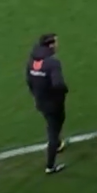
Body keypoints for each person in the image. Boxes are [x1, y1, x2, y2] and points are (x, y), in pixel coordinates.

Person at [26, 32, 69, 174]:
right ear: (50, 45)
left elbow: (29, 81)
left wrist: (36, 95)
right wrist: (63, 92)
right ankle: (50, 166)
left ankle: (56, 144)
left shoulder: (32, 61)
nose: (57, 45)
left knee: (55, 122)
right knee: (53, 130)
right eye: (56, 42)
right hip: (53, 102)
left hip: (40, 101)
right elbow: (58, 84)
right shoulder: (52, 62)